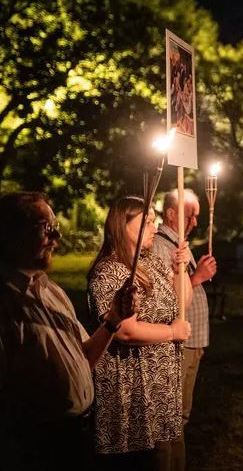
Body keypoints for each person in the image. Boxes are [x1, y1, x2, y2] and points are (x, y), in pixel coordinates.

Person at [0, 192, 136, 469]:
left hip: (78, 434)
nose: (56, 236)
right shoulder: (5, 303)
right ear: (12, 232)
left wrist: (113, 320)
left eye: (55, 227)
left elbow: (84, 358)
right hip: (36, 446)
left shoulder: (52, 291)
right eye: (45, 227)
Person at [88, 196, 191, 469]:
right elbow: (125, 331)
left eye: (154, 221)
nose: (155, 228)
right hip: (134, 387)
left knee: (169, 456)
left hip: (160, 386)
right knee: (146, 461)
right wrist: (171, 333)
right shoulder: (110, 271)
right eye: (146, 222)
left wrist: (180, 270)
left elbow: (182, 304)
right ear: (122, 225)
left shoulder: (151, 262)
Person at [151, 189, 216, 466]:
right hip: (176, 344)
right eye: (190, 215)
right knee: (170, 418)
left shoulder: (179, 244)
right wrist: (197, 277)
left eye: (197, 216)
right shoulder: (161, 246)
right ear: (171, 214)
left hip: (191, 343)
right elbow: (165, 297)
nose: (195, 222)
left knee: (181, 416)